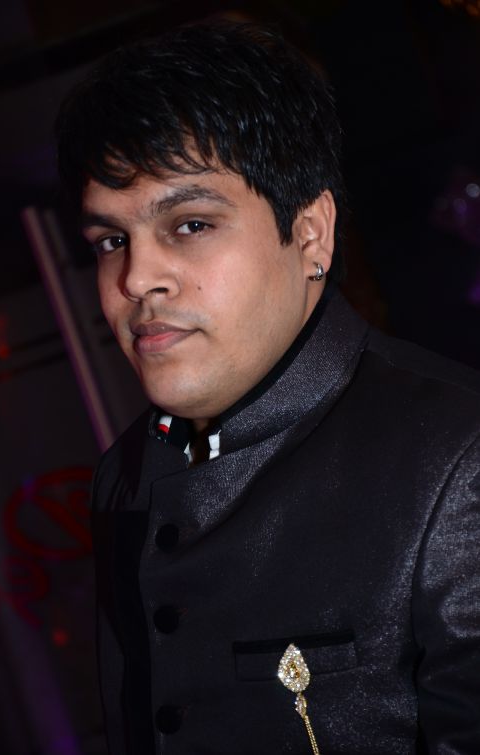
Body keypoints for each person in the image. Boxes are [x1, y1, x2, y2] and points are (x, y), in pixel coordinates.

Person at [56, 21, 480, 755]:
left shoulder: (458, 455)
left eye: (190, 224)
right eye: (112, 241)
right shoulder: (125, 473)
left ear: (311, 234)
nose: (136, 278)